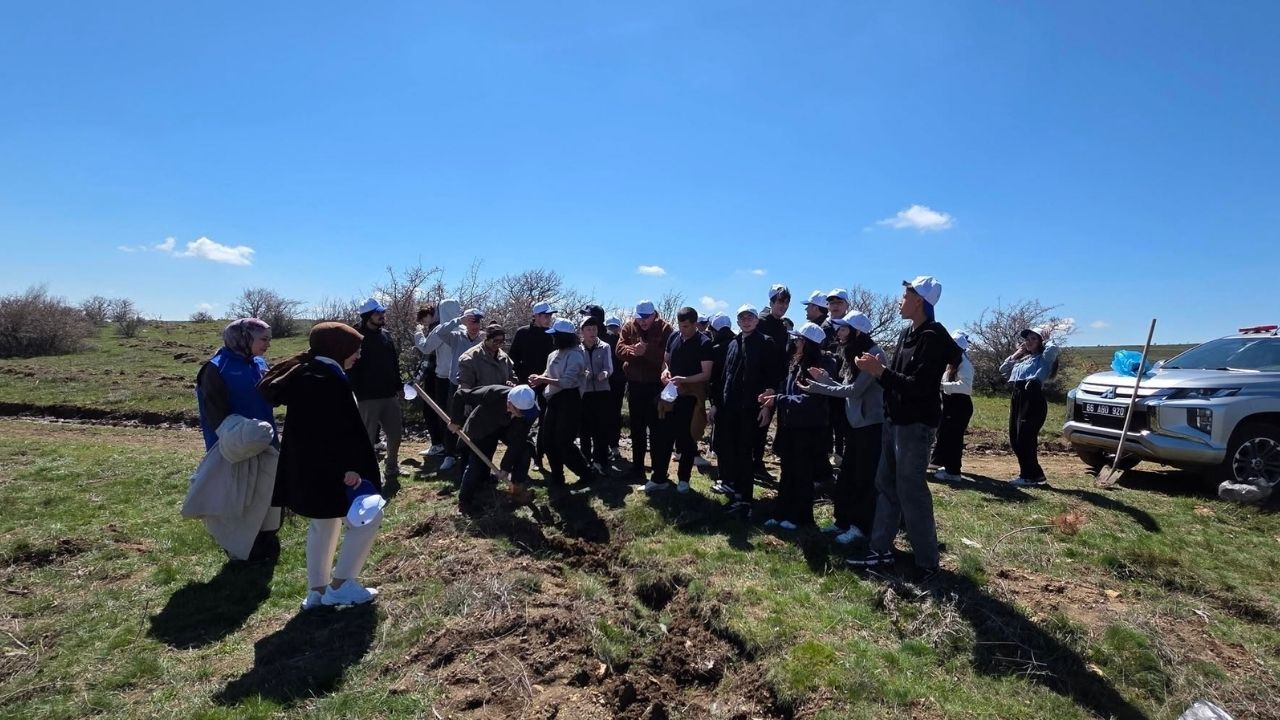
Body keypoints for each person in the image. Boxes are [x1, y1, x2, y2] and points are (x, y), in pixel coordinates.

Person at [258, 322, 383, 609]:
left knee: (323, 524)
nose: (358, 355)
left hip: (311, 470)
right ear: (337, 349)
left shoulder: (309, 372)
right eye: (355, 349)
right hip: (334, 471)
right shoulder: (327, 379)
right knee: (368, 516)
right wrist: (349, 468)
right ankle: (342, 585)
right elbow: (332, 431)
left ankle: (316, 592)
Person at [848, 276, 958, 580]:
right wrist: (879, 371)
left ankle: (927, 563)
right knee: (886, 487)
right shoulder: (906, 334)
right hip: (894, 421)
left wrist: (879, 371)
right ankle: (879, 551)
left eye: (904, 295)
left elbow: (920, 387)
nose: (899, 300)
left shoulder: (932, 337)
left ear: (919, 300)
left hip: (915, 425)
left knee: (911, 492)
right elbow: (895, 378)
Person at [193, 318, 280, 561]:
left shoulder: (259, 363)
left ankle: (266, 536)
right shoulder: (215, 369)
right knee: (240, 494)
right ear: (244, 338)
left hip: (265, 440)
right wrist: (241, 438)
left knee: (267, 490)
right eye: (263, 339)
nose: (268, 344)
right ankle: (240, 545)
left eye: (269, 339)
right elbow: (216, 413)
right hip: (233, 445)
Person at [797, 312, 885, 544]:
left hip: (870, 426)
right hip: (855, 424)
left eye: (844, 329)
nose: (838, 333)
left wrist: (819, 388)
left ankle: (860, 527)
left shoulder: (874, 354)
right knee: (847, 476)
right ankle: (842, 521)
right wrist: (826, 380)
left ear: (857, 332)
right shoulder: (851, 354)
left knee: (863, 479)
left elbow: (855, 391)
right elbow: (845, 388)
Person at [760, 322, 835, 529]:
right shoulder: (796, 363)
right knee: (787, 471)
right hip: (791, 426)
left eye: (799, 339)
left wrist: (779, 399)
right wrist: (773, 396)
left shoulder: (818, 368)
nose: (795, 342)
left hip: (809, 429)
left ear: (808, 343)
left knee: (802, 474)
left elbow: (809, 401)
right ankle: (782, 512)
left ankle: (799, 518)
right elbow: (786, 389)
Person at [712, 305, 779, 512]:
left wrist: (767, 407)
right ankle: (734, 492)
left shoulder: (766, 343)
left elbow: (773, 376)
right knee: (728, 450)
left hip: (751, 408)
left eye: (750, 317)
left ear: (757, 320)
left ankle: (745, 500)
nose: (746, 320)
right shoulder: (733, 343)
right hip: (729, 407)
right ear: (738, 321)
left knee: (745, 453)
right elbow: (725, 377)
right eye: (742, 317)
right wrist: (716, 404)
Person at [648, 307, 714, 494]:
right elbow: (666, 360)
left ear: (695, 324)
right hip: (670, 394)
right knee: (663, 437)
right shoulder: (674, 337)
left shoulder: (704, 343)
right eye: (680, 325)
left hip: (690, 397)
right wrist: (665, 371)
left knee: (687, 439)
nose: (682, 329)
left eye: (686, 326)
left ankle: (684, 480)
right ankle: (659, 477)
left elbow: (706, 373)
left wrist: (684, 379)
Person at [449, 384, 538, 514]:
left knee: (525, 449)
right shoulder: (493, 393)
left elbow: (517, 441)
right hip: (483, 425)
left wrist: (505, 468)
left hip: (507, 427)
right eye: (521, 412)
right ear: (510, 403)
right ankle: (465, 502)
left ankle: (517, 489)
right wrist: (455, 420)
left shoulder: (530, 411)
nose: (524, 415)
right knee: (477, 464)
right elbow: (461, 395)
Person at [529, 318, 595, 485]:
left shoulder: (576, 355)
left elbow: (566, 382)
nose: (552, 338)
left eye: (555, 336)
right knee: (547, 440)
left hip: (570, 399)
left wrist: (543, 380)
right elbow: (547, 373)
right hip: (554, 399)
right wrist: (539, 378)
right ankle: (557, 476)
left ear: (563, 337)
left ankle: (586, 474)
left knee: (563, 441)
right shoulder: (553, 354)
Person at [617, 300, 674, 479]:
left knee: (657, 429)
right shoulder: (628, 327)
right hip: (634, 385)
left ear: (654, 314)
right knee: (637, 428)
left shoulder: (666, 329)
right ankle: (637, 467)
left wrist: (646, 352)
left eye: (646, 317)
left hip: (655, 386)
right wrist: (633, 351)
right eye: (640, 317)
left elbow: (667, 355)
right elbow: (619, 349)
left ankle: (659, 470)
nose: (643, 321)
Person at [424, 305, 485, 471]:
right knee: (454, 419)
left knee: (474, 420)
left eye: (477, 322)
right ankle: (449, 455)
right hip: (456, 384)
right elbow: (438, 332)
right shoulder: (457, 337)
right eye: (472, 321)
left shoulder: (483, 339)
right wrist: (458, 321)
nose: (475, 325)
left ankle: (470, 455)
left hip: (476, 386)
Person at [348, 299, 404, 480]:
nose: (381, 316)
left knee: (395, 435)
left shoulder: (386, 335)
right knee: (367, 439)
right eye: (377, 313)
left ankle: (392, 468)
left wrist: (399, 386)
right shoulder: (356, 338)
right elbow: (351, 369)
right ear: (367, 316)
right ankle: (368, 473)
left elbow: (393, 363)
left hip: (389, 395)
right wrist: (356, 392)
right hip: (367, 398)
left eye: (382, 312)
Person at [1000, 325, 1060, 486]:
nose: (1029, 342)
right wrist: (1017, 354)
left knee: (1025, 437)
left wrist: (1048, 340)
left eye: (1034, 339)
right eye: (1027, 339)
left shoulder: (1044, 358)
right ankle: (1032, 474)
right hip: (1018, 397)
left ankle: (1030, 475)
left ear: (1041, 342)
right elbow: (1003, 369)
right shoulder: (1025, 359)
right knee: (1015, 438)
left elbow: (1053, 350)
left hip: (1032, 398)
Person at [510, 301, 556, 468]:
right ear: (535, 316)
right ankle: (520, 457)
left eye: (550, 315)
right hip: (525, 385)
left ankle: (539, 458)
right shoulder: (522, 333)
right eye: (545, 315)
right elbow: (513, 357)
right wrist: (522, 376)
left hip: (546, 384)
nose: (548, 318)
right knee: (522, 421)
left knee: (544, 422)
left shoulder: (553, 334)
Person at [416, 300, 463, 459]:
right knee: (459, 415)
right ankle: (458, 448)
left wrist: (418, 333)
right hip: (464, 379)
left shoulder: (441, 329)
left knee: (443, 414)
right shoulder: (465, 329)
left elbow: (425, 347)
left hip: (444, 377)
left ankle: (444, 447)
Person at [755, 285, 791, 477]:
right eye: (780, 302)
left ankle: (757, 462)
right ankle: (752, 464)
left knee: (764, 424)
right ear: (771, 302)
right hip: (759, 383)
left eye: (786, 302)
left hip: (775, 383)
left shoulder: (781, 326)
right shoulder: (761, 322)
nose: (783, 306)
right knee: (756, 424)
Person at [933, 331, 975, 482]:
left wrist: (942, 386)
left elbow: (965, 387)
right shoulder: (953, 363)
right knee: (946, 435)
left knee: (954, 438)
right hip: (951, 405)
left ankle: (953, 472)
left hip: (959, 405)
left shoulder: (964, 364)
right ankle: (947, 465)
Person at [577, 316, 615, 475]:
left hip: (602, 392)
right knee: (585, 429)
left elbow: (609, 367)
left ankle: (601, 460)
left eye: (594, 329)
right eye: (588, 329)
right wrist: (582, 374)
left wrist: (604, 374)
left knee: (601, 428)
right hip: (584, 393)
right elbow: (576, 369)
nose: (592, 332)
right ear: (582, 332)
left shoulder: (605, 346)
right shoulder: (578, 349)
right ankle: (585, 461)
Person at [412, 305, 446, 458]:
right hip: (442, 375)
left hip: (434, 375)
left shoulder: (437, 329)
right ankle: (445, 444)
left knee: (431, 410)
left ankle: (438, 444)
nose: (423, 323)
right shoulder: (448, 326)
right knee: (442, 410)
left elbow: (427, 351)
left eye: (423, 319)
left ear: (428, 315)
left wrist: (418, 333)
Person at [604, 316, 627, 459]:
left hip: (617, 383)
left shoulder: (622, 342)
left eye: (615, 326)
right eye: (610, 327)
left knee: (614, 415)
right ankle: (605, 446)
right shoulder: (602, 340)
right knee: (604, 415)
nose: (612, 329)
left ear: (619, 328)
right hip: (604, 383)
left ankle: (614, 446)